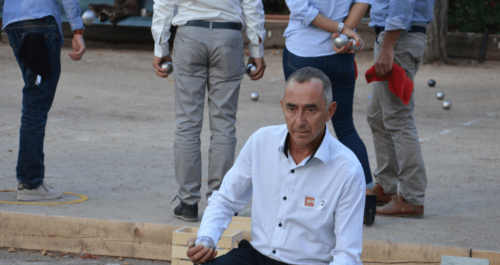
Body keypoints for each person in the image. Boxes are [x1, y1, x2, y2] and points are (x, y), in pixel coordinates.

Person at [187, 67, 365, 265]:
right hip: (257, 258)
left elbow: (349, 254)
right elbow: (226, 198)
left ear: (330, 111)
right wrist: (207, 238)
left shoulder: (347, 169)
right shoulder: (261, 142)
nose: (300, 121)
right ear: (282, 106)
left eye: (311, 110)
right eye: (292, 109)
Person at [151, 0, 266, 222]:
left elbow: (164, 3)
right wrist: (256, 48)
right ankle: (220, 201)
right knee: (224, 125)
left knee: (187, 124)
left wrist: (161, 46)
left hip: (189, 33)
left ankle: (188, 202)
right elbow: (252, 4)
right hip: (228, 35)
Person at [282, 1, 374, 193]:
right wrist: (343, 32)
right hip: (340, 51)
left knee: (299, 128)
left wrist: (341, 29)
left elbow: (300, 8)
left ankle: (298, 194)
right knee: (346, 128)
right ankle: (366, 198)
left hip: (302, 50)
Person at [2, 0, 86, 201]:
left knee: (34, 98)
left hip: (13, 21)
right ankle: (30, 182)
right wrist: (77, 30)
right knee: (36, 104)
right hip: (40, 19)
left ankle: (29, 180)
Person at [366, 0, 435, 218]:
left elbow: (402, 5)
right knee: (376, 116)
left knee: (399, 119)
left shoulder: (393, 41)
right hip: (398, 38)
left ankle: (412, 198)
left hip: (399, 40)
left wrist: (388, 46)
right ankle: (386, 188)